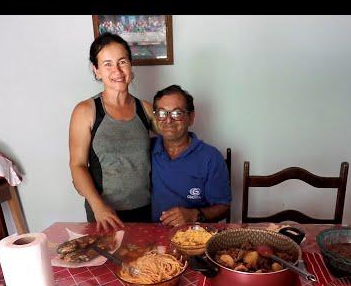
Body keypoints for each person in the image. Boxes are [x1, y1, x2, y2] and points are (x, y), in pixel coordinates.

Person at [69, 32, 156, 231]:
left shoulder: (145, 109)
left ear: (130, 65)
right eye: (107, 64)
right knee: (107, 262)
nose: (117, 70)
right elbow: (77, 165)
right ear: (96, 70)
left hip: (146, 209)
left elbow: (174, 140)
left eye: (122, 61)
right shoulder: (85, 111)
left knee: (145, 262)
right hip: (105, 213)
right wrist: (98, 206)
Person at [150, 85, 231, 226]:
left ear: (191, 117)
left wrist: (194, 215)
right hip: (152, 238)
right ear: (156, 117)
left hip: (196, 238)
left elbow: (223, 207)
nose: (168, 120)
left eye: (177, 113)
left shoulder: (210, 157)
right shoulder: (146, 150)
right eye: (162, 113)